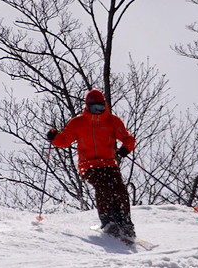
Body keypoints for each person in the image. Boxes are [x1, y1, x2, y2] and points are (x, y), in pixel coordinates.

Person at [46, 89, 137, 240]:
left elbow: (128, 139)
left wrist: (125, 149)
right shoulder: (78, 123)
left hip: (109, 163)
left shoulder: (112, 121)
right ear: (88, 107)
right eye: (95, 108)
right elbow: (64, 140)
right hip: (88, 165)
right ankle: (108, 221)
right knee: (103, 186)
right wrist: (54, 137)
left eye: (101, 107)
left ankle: (124, 221)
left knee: (119, 189)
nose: (98, 111)